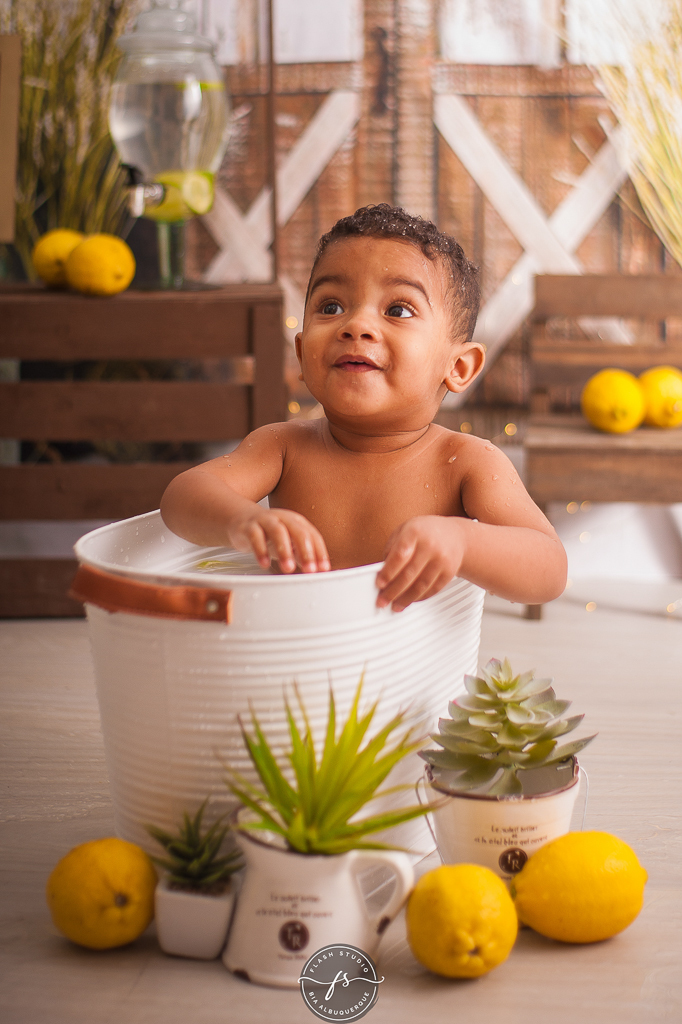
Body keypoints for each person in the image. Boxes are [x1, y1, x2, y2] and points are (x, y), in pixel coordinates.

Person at [161, 204, 566, 611]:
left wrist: (463, 542)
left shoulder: (466, 462)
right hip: (300, 661)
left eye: (398, 310)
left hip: (415, 669)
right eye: (331, 306)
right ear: (302, 355)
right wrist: (241, 521)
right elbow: (182, 498)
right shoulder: (283, 446)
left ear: (457, 367)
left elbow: (549, 568)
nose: (356, 325)